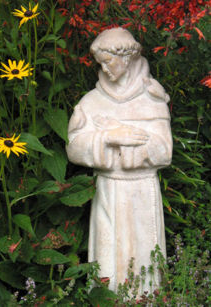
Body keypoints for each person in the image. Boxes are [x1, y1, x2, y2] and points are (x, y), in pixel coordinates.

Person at [66, 27, 172, 294]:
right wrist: (109, 137)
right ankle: (106, 298)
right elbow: (74, 147)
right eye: (100, 62)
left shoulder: (152, 99)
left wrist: (132, 144)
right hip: (108, 189)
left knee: (145, 262)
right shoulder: (92, 102)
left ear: (125, 58)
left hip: (142, 191)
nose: (103, 67)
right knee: (108, 260)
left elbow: (164, 151)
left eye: (108, 61)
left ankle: (146, 298)